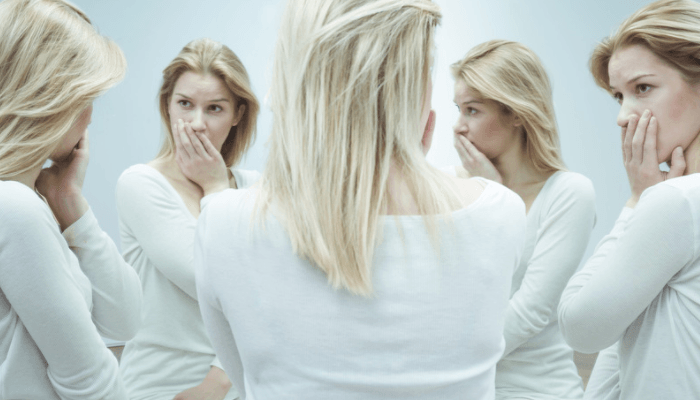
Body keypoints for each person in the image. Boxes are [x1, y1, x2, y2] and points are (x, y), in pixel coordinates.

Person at [193, 1, 526, 399]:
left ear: (295, 78)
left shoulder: (224, 224)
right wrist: (408, 172)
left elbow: (251, 380)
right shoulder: (500, 213)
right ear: (414, 88)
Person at [558, 1, 700, 398]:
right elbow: (624, 349)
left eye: (643, 88)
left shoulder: (675, 202)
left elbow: (579, 327)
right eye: (619, 96)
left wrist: (638, 198)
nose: (624, 116)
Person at [0, 0, 142, 398]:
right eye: (87, 97)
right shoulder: (14, 208)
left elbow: (125, 320)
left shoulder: (28, 203)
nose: (91, 116)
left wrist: (70, 203)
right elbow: (89, 381)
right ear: (50, 98)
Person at [448, 40, 596, 400]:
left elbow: (531, 312)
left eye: (472, 111)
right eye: (458, 110)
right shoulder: (450, 187)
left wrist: (499, 202)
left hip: (538, 390)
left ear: (515, 113)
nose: (458, 127)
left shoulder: (570, 193)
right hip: (462, 386)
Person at [115, 38, 260, 400]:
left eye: (214, 108)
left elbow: (278, 293)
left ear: (237, 114)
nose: (196, 123)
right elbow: (210, 280)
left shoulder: (257, 188)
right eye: (185, 104)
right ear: (167, 106)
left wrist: (220, 379)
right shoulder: (140, 184)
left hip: (239, 388)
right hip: (159, 387)